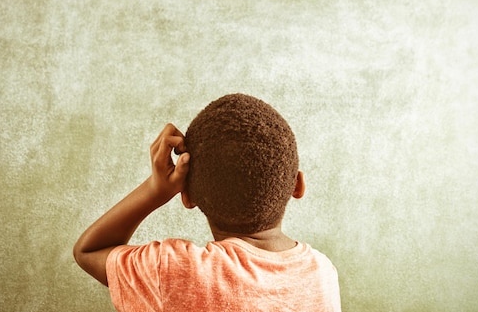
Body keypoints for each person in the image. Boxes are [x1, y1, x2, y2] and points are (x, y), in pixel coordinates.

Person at [74, 93, 341, 311]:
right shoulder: (322, 274)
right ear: (298, 185)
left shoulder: (173, 271)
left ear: (186, 197)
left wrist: (155, 190)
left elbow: (88, 251)